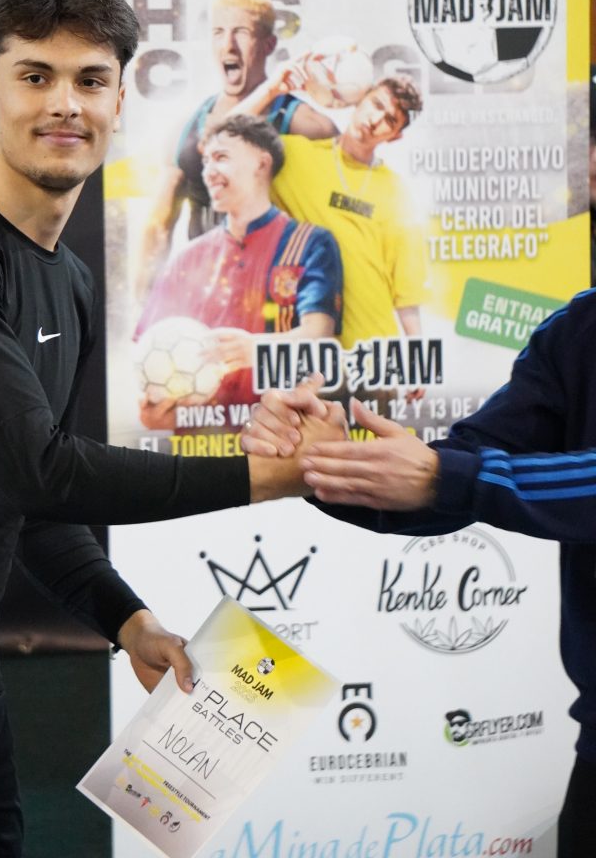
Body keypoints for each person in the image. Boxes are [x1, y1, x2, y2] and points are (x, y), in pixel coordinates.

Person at [0, 0, 319, 858]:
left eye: (90, 80)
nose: (65, 103)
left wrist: (128, 620)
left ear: (120, 101)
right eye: (35, 76)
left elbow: (29, 504)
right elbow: (43, 470)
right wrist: (276, 475)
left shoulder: (75, 285)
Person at [240, 285, 596, 856]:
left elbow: (456, 476)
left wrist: (447, 477)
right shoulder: (580, 326)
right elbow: (455, 468)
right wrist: (326, 461)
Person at [135, 114, 342, 430]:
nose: (208, 172)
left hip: (281, 438)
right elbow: (147, 346)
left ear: (262, 163)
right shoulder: (187, 258)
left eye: (221, 157)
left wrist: (255, 350)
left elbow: (319, 334)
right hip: (201, 443)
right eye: (205, 162)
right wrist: (154, 407)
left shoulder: (311, 243)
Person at [136, 0, 338, 299]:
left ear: (268, 44)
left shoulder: (307, 125)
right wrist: (143, 302)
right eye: (218, 32)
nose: (228, 44)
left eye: (241, 32)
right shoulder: (185, 131)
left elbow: (341, 212)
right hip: (207, 295)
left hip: (277, 298)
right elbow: (159, 226)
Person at [269, 75, 426, 356]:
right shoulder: (295, 156)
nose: (375, 119)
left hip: (373, 355)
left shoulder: (395, 191)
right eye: (376, 104)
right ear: (360, 99)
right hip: (307, 351)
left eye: (390, 120)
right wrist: (272, 90)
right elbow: (220, 138)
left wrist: (418, 358)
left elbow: (407, 292)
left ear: (395, 136)